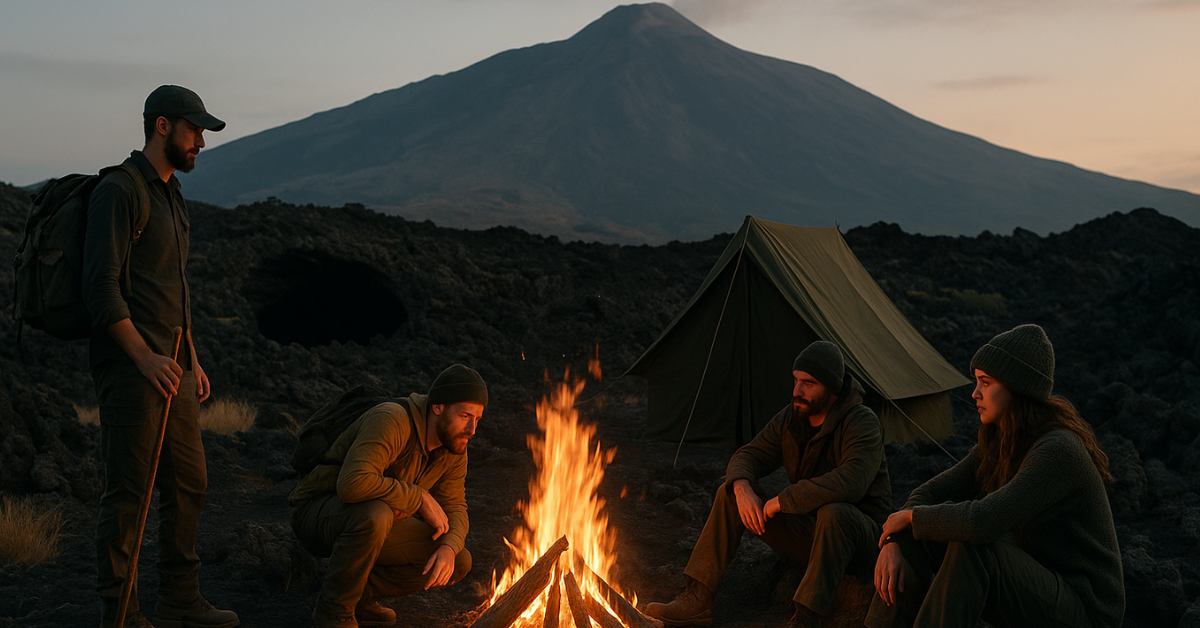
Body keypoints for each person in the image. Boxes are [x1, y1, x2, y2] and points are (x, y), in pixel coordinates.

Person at [83, 85, 237, 628]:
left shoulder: (172, 195)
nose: (201, 142)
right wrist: (145, 359)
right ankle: (120, 615)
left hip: (174, 370)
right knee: (129, 498)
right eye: (195, 130)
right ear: (163, 126)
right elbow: (101, 290)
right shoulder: (120, 192)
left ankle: (180, 600)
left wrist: (192, 359)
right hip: (133, 372)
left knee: (188, 482)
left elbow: (172, 287)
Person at [867, 324, 1124, 628]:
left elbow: (982, 522)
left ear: (1018, 389)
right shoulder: (1002, 440)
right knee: (918, 533)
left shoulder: (1058, 450)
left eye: (985, 383)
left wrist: (911, 518)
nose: (975, 393)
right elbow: (927, 495)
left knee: (973, 546)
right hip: (1036, 583)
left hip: (1085, 609)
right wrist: (896, 539)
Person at [645, 341, 892, 628]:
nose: (797, 391)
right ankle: (698, 599)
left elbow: (853, 481)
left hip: (863, 544)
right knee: (728, 493)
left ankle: (806, 618)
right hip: (810, 535)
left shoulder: (861, 422)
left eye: (808, 384)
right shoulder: (792, 418)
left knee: (835, 512)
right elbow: (748, 455)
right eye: (796, 381)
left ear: (832, 389)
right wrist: (741, 486)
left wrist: (785, 500)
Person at [289, 364, 485, 628]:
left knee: (459, 559)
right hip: (318, 512)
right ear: (437, 406)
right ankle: (334, 611)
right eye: (464, 416)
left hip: (376, 521)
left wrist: (449, 546)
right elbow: (352, 483)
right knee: (376, 514)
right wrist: (419, 498)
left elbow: (456, 506)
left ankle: (359, 598)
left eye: (477, 419)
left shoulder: (454, 447)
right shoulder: (392, 419)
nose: (472, 429)